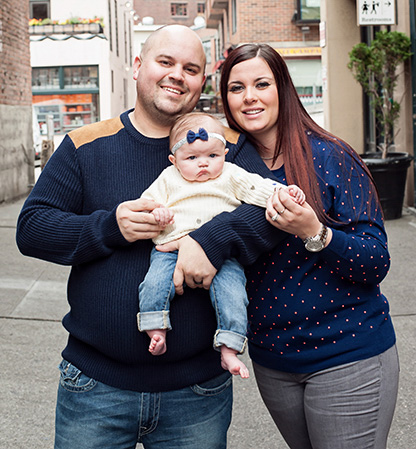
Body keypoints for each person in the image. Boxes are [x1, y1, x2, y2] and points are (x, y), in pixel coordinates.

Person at [15, 26, 285, 449]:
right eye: (166, 62)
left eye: (191, 68)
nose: (177, 75)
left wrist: (209, 241)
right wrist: (108, 227)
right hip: (94, 387)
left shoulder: (227, 146)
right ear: (138, 66)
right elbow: (32, 228)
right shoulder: (84, 145)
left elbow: (271, 213)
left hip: (197, 392)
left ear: (202, 81)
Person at [161, 42, 399, 449]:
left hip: (347, 353)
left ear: (282, 88)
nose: (249, 97)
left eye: (261, 84)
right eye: (236, 88)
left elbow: (374, 261)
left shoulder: (330, 156)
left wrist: (315, 232)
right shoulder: (225, 167)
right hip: (275, 361)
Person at [137, 111, 305, 378]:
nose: (203, 164)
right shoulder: (168, 178)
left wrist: (282, 192)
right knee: (154, 282)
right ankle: (155, 325)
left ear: (225, 153)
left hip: (222, 253)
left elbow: (256, 188)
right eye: (192, 158)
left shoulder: (230, 174)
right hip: (170, 246)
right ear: (174, 160)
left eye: (212, 156)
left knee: (234, 294)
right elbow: (147, 204)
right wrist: (158, 214)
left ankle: (229, 347)